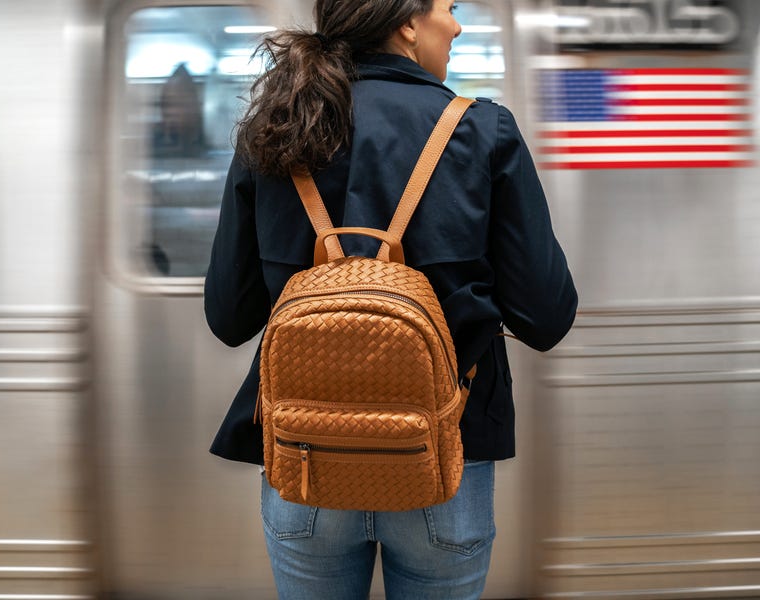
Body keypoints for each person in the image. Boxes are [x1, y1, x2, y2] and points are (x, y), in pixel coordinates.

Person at [204, 0, 578, 598]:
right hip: (442, 464)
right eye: (449, 8)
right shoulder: (483, 131)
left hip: (305, 460)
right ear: (407, 22)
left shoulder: (273, 130)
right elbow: (547, 317)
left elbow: (228, 317)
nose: (455, 25)